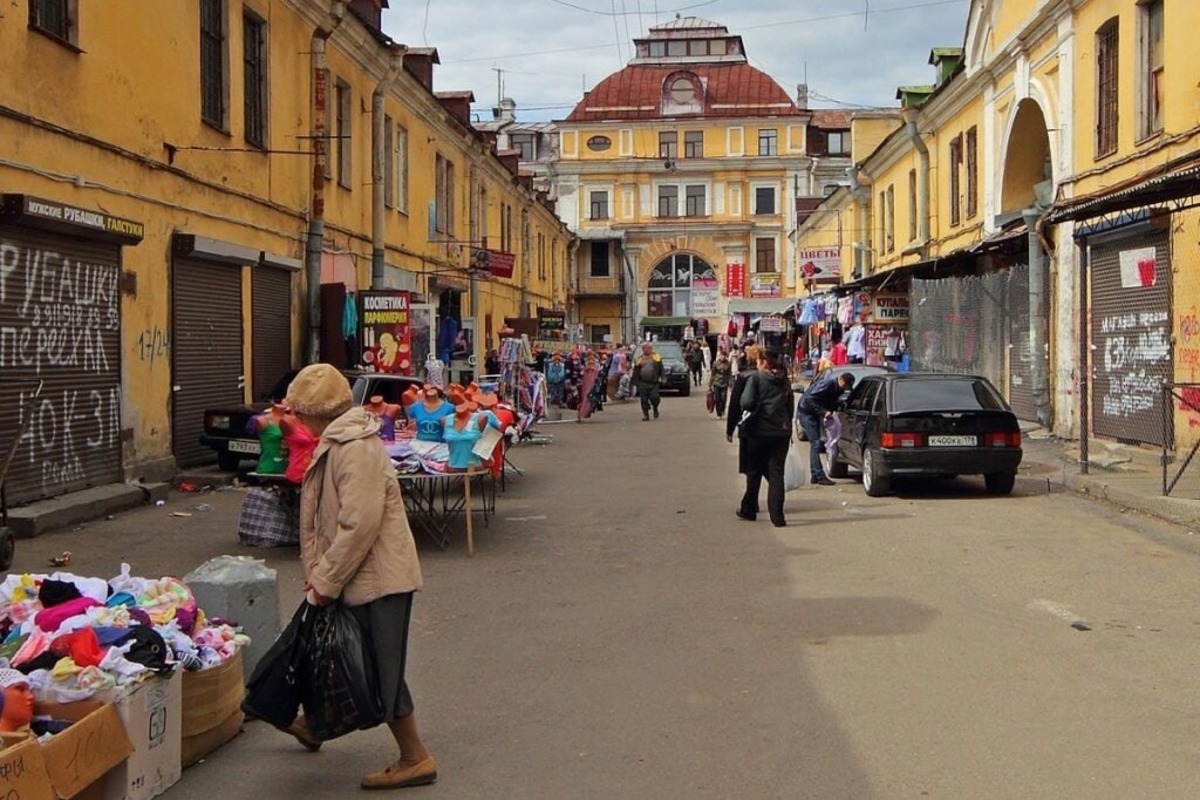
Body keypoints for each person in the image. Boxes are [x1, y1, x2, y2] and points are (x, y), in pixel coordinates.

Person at [284, 363, 436, 790]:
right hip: (357, 576)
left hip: (378, 579)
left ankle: (415, 758)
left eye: (300, 411)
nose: (295, 418)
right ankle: (316, 724)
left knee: (379, 669)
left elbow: (359, 525)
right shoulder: (337, 443)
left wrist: (324, 581)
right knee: (342, 655)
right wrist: (320, 574)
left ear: (317, 412)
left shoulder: (355, 449)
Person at [736, 348, 794, 527]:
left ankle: (749, 510)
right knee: (776, 474)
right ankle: (777, 517)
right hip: (781, 433)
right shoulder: (784, 380)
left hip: (758, 432)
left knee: (754, 472)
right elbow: (790, 409)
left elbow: (745, 402)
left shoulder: (756, 379)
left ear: (763, 362)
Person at [796, 370, 855, 486]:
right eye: (845, 385)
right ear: (840, 379)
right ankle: (819, 474)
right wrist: (823, 412)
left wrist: (838, 407)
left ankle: (815, 474)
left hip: (813, 414)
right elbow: (809, 399)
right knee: (816, 444)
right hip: (807, 413)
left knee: (816, 444)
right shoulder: (827, 385)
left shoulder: (837, 389)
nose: (845, 389)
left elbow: (829, 401)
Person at [725, 344, 762, 509]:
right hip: (769, 426)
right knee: (766, 467)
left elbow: (734, 404)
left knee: (751, 467)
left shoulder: (744, 376)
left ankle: (751, 502)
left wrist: (730, 429)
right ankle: (772, 500)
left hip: (748, 426)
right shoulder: (769, 376)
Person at [631, 341, 664, 421]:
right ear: (643, 349)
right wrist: (634, 382)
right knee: (644, 400)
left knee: (655, 397)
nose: (647, 350)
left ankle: (655, 408)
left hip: (654, 382)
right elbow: (635, 372)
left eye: (649, 348)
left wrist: (663, 378)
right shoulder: (639, 359)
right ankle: (646, 415)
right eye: (645, 348)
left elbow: (661, 369)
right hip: (643, 382)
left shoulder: (656, 358)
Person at [708, 350, 733, 418]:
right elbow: (713, 374)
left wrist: (731, 382)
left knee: (723, 398)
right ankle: (719, 413)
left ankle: (722, 409)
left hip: (724, 383)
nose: (723, 357)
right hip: (716, 382)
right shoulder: (715, 363)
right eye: (721, 355)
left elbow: (729, 374)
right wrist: (710, 383)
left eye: (724, 356)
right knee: (717, 398)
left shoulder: (728, 363)